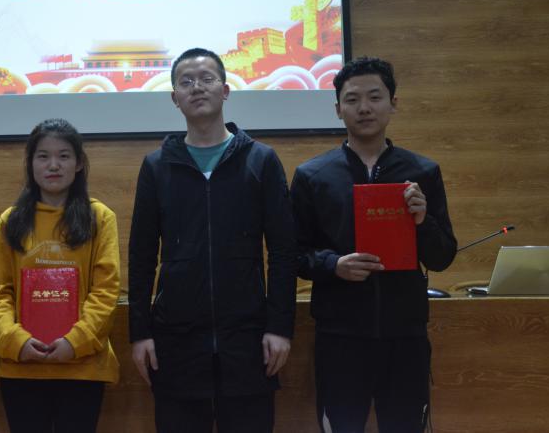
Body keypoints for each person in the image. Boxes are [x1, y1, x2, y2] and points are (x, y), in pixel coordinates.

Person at [128, 48, 297, 433]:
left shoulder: (260, 160)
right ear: (175, 98)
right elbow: (141, 256)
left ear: (225, 89)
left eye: (206, 78)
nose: (197, 87)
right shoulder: (157, 166)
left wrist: (279, 327)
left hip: (248, 341)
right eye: (186, 82)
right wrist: (140, 333)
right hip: (176, 342)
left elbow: (283, 252)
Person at [289, 56, 457, 433]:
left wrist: (423, 221)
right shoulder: (312, 176)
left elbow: (443, 256)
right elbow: (293, 255)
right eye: (352, 99)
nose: (364, 107)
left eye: (375, 97)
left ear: (393, 104)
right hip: (340, 338)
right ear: (338, 109)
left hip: (405, 336)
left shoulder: (423, 172)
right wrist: (334, 265)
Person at [0, 118, 120, 433]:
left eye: (64, 156)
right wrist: (16, 340)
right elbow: (0, 294)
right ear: (31, 163)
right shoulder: (10, 221)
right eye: (43, 156)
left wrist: (74, 342)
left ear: (79, 164)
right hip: (22, 365)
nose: (54, 165)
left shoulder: (100, 218)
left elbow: (105, 292)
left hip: (82, 366)